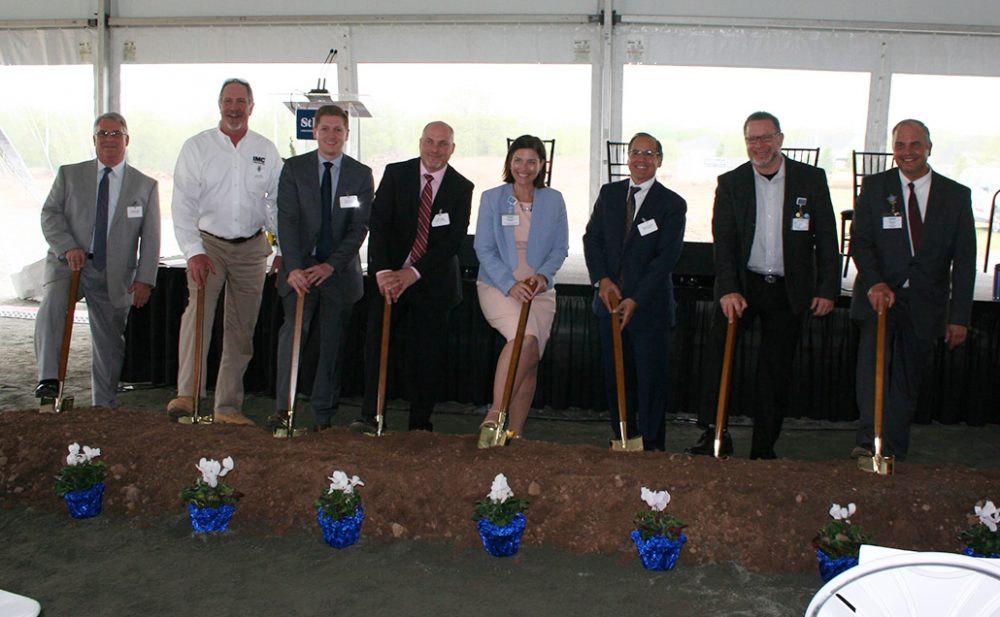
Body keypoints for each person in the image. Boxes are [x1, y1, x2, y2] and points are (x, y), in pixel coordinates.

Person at [685, 111, 839, 459]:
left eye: (765, 137)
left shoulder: (810, 179)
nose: (759, 145)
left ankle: (763, 448)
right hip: (743, 287)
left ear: (780, 139)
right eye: (752, 139)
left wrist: (827, 288)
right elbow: (722, 242)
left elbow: (827, 238)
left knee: (775, 370)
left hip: (789, 289)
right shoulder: (731, 182)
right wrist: (727, 288)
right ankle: (714, 435)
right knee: (718, 358)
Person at [849, 119, 975, 461]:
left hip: (925, 303)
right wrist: (875, 281)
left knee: (906, 382)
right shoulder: (875, 188)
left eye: (915, 144)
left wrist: (959, 316)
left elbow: (964, 261)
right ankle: (867, 444)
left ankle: (892, 451)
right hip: (879, 298)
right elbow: (860, 241)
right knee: (871, 374)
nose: (908, 152)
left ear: (929, 147)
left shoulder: (956, 196)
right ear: (894, 150)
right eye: (901, 145)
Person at [166, 78, 282, 425]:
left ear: (251, 107)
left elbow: (275, 204)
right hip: (208, 246)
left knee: (241, 328)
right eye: (229, 101)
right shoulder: (196, 148)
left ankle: (227, 407)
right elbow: (183, 204)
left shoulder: (266, 149)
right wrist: (193, 252)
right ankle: (188, 395)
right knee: (197, 318)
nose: (235, 107)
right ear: (220, 105)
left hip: (251, 249)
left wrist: (280, 249)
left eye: (241, 101)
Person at [349, 121, 474, 433]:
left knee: (428, 356)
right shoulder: (396, 174)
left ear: (452, 148)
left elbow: (453, 241)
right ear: (420, 143)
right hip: (388, 279)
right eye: (430, 142)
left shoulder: (462, 187)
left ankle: (419, 424)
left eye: (442, 144)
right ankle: (371, 416)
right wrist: (382, 272)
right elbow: (379, 224)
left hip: (433, 283)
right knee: (377, 348)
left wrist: (413, 273)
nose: (435, 149)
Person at [34, 112, 160, 408]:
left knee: (109, 343)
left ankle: (103, 406)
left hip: (113, 273)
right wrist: (67, 247)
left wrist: (145, 279)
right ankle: (49, 379)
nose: (109, 140)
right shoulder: (69, 175)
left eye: (116, 134)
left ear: (127, 140)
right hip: (70, 264)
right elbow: (49, 215)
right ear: (94, 140)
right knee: (53, 303)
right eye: (102, 134)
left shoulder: (145, 185)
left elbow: (151, 238)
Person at [266, 105, 373, 432]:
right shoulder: (294, 169)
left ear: (346, 134)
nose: (331, 135)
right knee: (293, 337)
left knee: (333, 343)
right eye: (325, 129)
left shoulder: (360, 174)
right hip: (299, 271)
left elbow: (359, 227)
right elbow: (287, 219)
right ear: (314, 132)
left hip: (338, 273)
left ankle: (323, 417)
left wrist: (330, 265)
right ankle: (284, 412)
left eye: (337, 130)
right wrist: (296, 268)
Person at [583, 132, 687, 451]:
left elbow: (665, 259)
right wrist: (603, 279)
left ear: (659, 160)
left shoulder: (671, 204)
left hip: (649, 309)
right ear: (627, 157)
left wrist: (635, 298)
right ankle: (623, 439)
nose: (641, 158)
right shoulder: (610, 194)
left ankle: (652, 447)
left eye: (649, 153)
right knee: (617, 380)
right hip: (609, 305)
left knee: (650, 383)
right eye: (635, 152)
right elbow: (593, 239)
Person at [474, 135, 568, 439]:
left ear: (542, 164)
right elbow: (484, 248)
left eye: (531, 161)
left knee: (530, 361)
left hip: (539, 292)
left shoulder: (554, 200)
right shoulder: (492, 198)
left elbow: (560, 248)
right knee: (524, 338)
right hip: (499, 287)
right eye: (518, 160)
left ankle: (515, 434)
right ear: (509, 162)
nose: (524, 167)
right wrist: (510, 284)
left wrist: (543, 276)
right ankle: (495, 415)